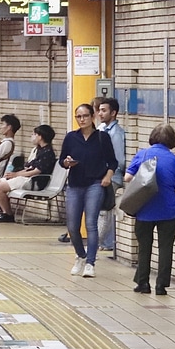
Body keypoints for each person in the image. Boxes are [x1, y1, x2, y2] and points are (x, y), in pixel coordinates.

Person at [124, 123, 175, 296]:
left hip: (144, 209)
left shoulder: (143, 154)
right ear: (172, 140)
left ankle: (143, 283)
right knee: (166, 248)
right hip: (169, 211)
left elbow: (127, 178)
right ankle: (161, 286)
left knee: (144, 247)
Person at [58, 103, 117, 278]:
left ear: (92, 117)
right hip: (75, 184)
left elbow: (112, 162)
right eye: (78, 116)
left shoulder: (102, 138)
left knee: (91, 223)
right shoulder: (71, 138)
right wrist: (66, 162)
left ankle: (91, 262)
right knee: (73, 226)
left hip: (95, 184)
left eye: (85, 116)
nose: (82, 119)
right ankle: (81, 256)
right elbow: (61, 160)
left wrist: (108, 176)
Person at [0, 125, 56, 223]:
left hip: (35, 181)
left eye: (34, 134)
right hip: (26, 177)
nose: (32, 136)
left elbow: (36, 171)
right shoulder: (37, 150)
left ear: (40, 136)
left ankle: (7, 214)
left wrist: (16, 175)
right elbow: (28, 168)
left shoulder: (47, 153)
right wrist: (15, 174)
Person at [96, 97, 126, 252]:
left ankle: (106, 242)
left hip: (112, 176)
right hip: (100, 175)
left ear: (113, 113)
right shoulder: (101, 129)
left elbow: (119, 160)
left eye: (104, 110)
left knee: (106, 210)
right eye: (99, 110)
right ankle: (104, 241)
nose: (100, 113)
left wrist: (109, 171)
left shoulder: (116, 133)